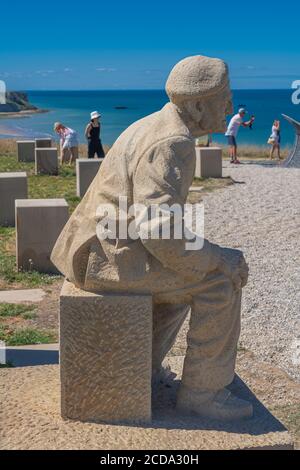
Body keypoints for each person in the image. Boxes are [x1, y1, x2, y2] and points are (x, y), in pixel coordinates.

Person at [51, 55, 252, 421]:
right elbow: (159, 231)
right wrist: (218, 258)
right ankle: (203, 394)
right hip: (102, 254)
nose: (228, 106)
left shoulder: (153, 123)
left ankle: (144, 368)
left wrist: (197, 254)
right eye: (224, 97)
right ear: (196, 104)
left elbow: (157, 226)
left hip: (99, 244)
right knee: (219, 283)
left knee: (184, 277)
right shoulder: (173, 141)